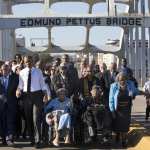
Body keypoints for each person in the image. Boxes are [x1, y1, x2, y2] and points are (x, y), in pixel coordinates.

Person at [16, 55, 48, 148]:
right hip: (26, 96)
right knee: (28, 119)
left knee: (36, 119)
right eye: (26, 62)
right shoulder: (22, 72)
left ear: (33, 62)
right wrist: (18, 90)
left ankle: (38, 140)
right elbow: (20, 85)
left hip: (37, 95)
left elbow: (42, 84)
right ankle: (32, 139)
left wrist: (45, 95)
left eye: (30, 61)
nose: (28, 63)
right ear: (24, 62)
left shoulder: (38, 71)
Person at [109, 72, 138, 147]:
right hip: (117, 110)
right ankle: (117, 135)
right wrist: (112, 111)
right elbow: (111, 100)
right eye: (121, 79)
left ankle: (124, 141)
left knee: (125, 127)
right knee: (117, 126)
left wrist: (143, 93)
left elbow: (136, 91)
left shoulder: (130, 85)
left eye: (124, 79)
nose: (122, 81)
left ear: (126, 79)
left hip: (126, 109)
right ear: (118, 79)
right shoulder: (113, 86)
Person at [0, 64, 19, 146]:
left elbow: (18, 88)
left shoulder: (15, 78)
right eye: (3, 69)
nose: (5, 71)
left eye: (6, 69)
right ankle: (3, 139)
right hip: (1, 104)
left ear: (9, 70)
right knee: (2, 122)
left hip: (11, 104)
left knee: (10, 121)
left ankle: (9, 139)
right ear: (1, 70)